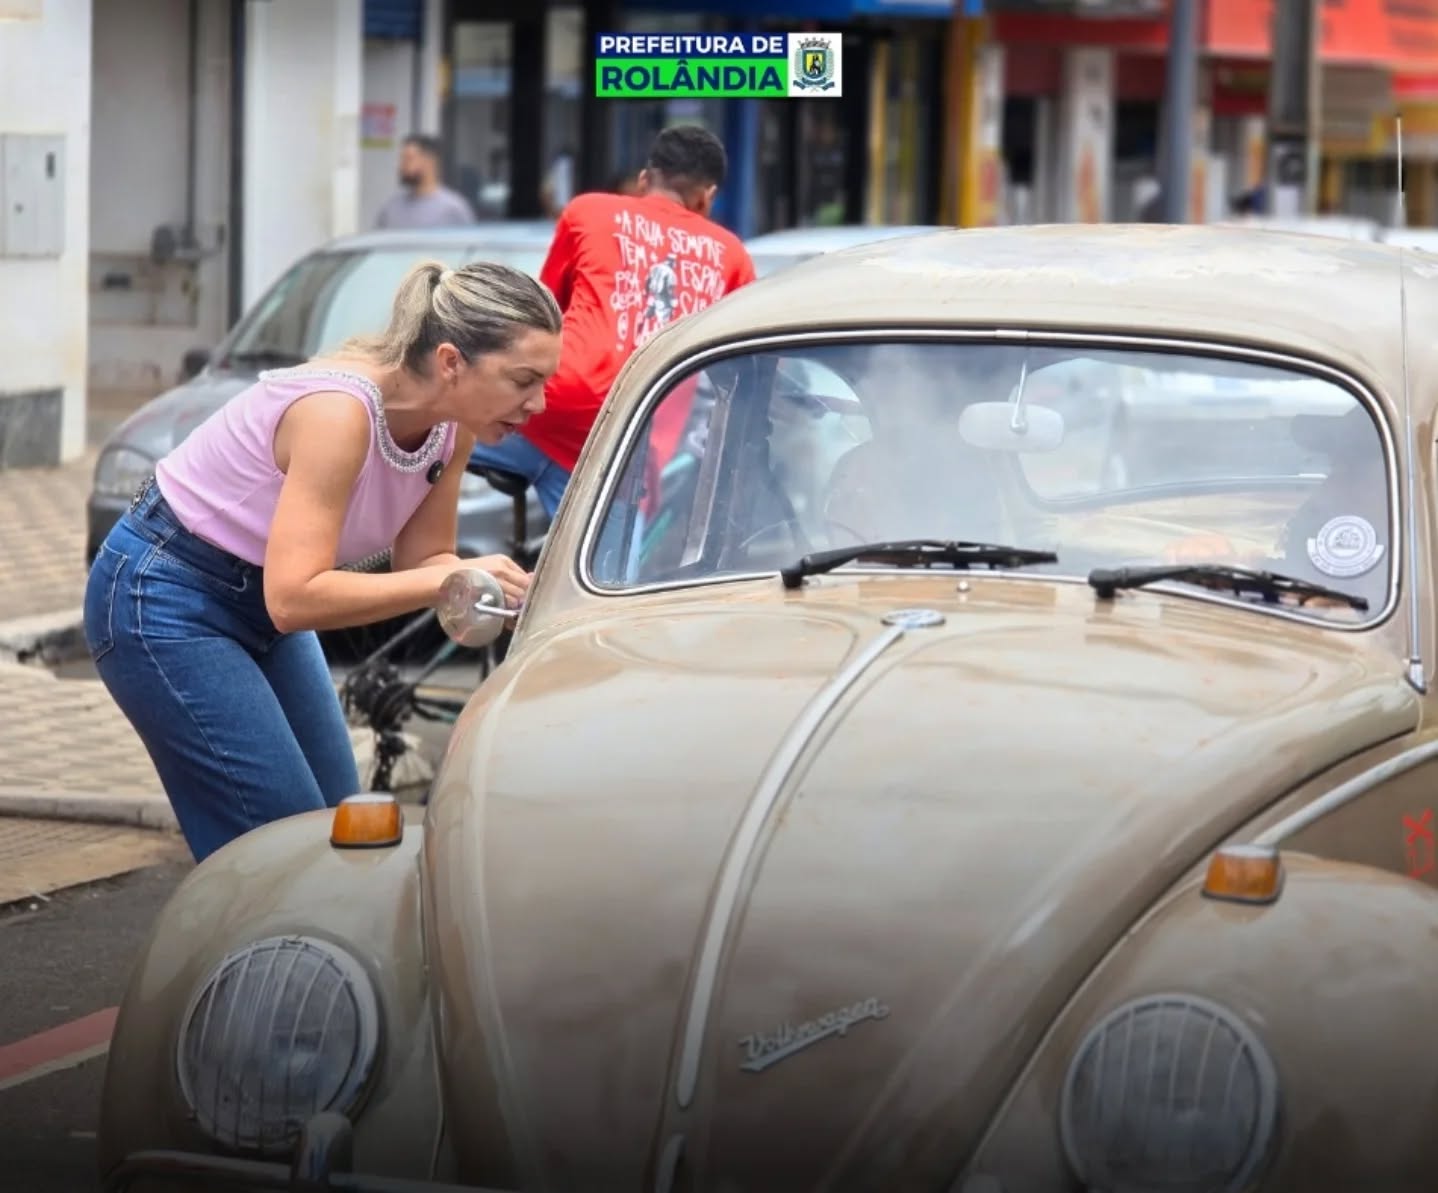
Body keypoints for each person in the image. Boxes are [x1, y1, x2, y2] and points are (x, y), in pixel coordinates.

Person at [82, 261, 562, 863]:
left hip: (261, 600)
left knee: (338, 823)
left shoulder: (451, 428)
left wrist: (486, 594)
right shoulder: (338, 413)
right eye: (523, 380)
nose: (539, 403)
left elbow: (424, 562)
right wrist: (447, 577)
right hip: (163, 594)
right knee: (284, 850)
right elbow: (295, 598)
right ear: (450, 362)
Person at [468, 124, 757, 517]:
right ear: (707, 196)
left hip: (541, 404)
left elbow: (543, 313)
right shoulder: (732, 255)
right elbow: (741, 368)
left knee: (435, 441)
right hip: (626, 436)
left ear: (644, 180)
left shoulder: (587, 211)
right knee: (604, 555)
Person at [375, 134, 476, 229]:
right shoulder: (392, 208)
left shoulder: (452, 209)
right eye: (402, 159)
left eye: (408, 159)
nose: (402, 166)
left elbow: (468, 240)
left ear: (429, 162)